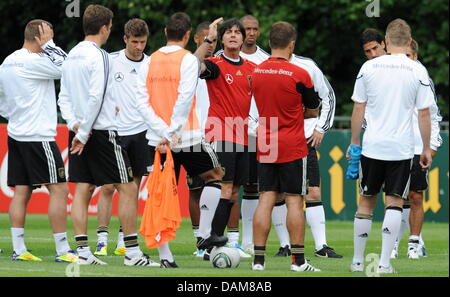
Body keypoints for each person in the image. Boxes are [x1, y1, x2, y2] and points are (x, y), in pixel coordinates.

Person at [58, 4, 156, 267]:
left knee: (82, 190)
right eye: (110, 26)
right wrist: (86, 131)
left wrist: (75, 126)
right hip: (100, 131)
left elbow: (63, 98)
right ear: (104, 28)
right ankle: (133, 254)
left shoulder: (71, 55)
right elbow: (96, 95)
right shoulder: (100, 56)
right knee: (128, 187)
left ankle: (82, 251)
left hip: (79, 130)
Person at [135, 13, 226, 267]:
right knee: (215, 175)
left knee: (161, 195)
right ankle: (205, 233)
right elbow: (184, 99)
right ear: (187, 35)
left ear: (165, 31)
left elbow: (141, 101)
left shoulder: (149, 61)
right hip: (186, 136)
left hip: (158, 140)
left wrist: (161, 132)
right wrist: (172, 132)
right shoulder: (187, 60)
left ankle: (166, 257)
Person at [348, 19, 434, 274]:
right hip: (401, 148)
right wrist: (426, 148)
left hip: (372, 146)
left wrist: (355, 143)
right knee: (395, 202)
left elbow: (358, 108)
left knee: (365, 202)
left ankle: (357, 261)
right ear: (409, 42)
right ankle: (384, 263)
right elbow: (424, 114)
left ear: (385, 41)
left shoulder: (368, 67)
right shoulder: (417, 70)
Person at [0, 20, 76, 263]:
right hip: (38, 136)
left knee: (21, 192)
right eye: (49, 35)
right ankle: (63, 251)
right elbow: (69, 67)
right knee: (60, 189)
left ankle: (19, 249)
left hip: (17, 134)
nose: (52, 40)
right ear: (39, 37)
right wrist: (51, 44)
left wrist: (16, 116)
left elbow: (2, 102)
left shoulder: (8, 61)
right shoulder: (36, 62)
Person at [251, 21, 321, 272]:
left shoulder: (256, 72)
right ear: (292, 44)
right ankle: (298, 261)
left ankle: (258, 261)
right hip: (292, 143)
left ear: (269, 43)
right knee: (294, 201)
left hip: (266, 142)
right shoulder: (299, 73)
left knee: (266, 199)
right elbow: (313, 108)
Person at [93, 18, 153, 259]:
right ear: (125, 39)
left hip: (141, 132)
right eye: (135, 41)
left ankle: (122, 240)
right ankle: (101, 239)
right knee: (107, 187)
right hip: (114, 131)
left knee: (132, 189)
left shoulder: (151, 64)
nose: (139, 46)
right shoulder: (110, 60)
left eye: (143, 42)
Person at [195, 18, 256, 251]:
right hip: (221, 132)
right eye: (228, 32)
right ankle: (210, 241)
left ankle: (213, 240)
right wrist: (208, 38)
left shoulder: (252, 69)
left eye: (237, 32)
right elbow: (192, 65)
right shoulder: (215, 64)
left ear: (243, 38)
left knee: (234, 193)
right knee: (225, 188)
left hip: (243, 136)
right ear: (222, 38)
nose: (233, 35)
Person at [289, 53, 341, 258]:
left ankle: (321, 246)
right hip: (275, 138)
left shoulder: (306, 66)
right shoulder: (264, 65)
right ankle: (283, 246)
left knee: (312, 191)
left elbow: (327, 97)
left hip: (304, 139)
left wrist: (321, 128)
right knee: (273, 195)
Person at [400, 39, 442, 259]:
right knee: (394, 197)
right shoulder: (390, 78)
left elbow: (433, 115)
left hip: (417, 147)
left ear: (415, 57)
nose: (404, 60)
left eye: (408, 56)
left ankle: (414, 244)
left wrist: (432, 145)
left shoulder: (423, 78)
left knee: (415, 196)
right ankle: (394, 243)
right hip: (394, 147)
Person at [189, 21, 218, 258]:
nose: (211, 46)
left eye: (214, 41)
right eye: (207, 40)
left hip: (215, 133)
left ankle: (208, 236)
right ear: (197, 39)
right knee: (195, 188)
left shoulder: (217, 66)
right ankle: (199, 237)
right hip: (190, 134)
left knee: (218, 183)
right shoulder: (187, 64)